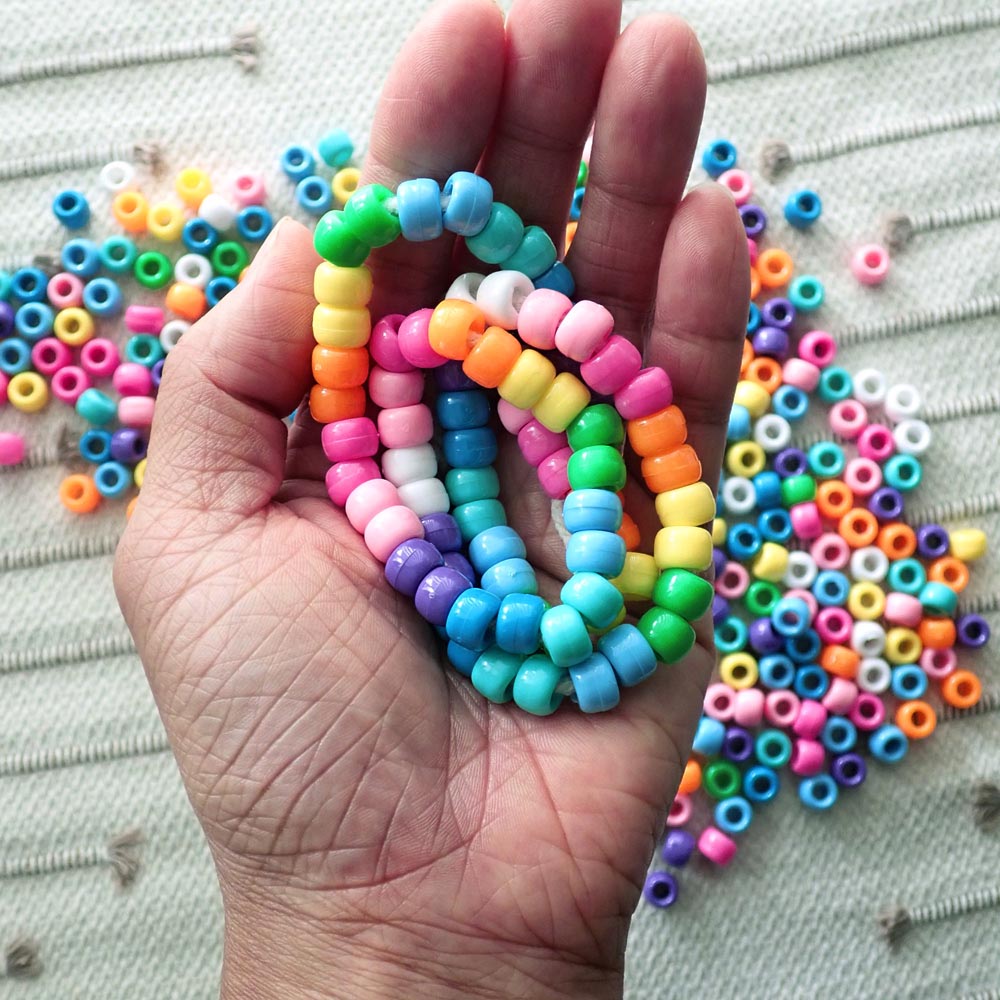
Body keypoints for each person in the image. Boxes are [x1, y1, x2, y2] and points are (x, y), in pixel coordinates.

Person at [114, 0, 748, 995]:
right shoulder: (442, 405)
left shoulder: (470, 365)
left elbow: (589, 433)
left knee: (585, 437)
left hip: (525, 602)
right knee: (568, 449)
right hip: (501, 606)